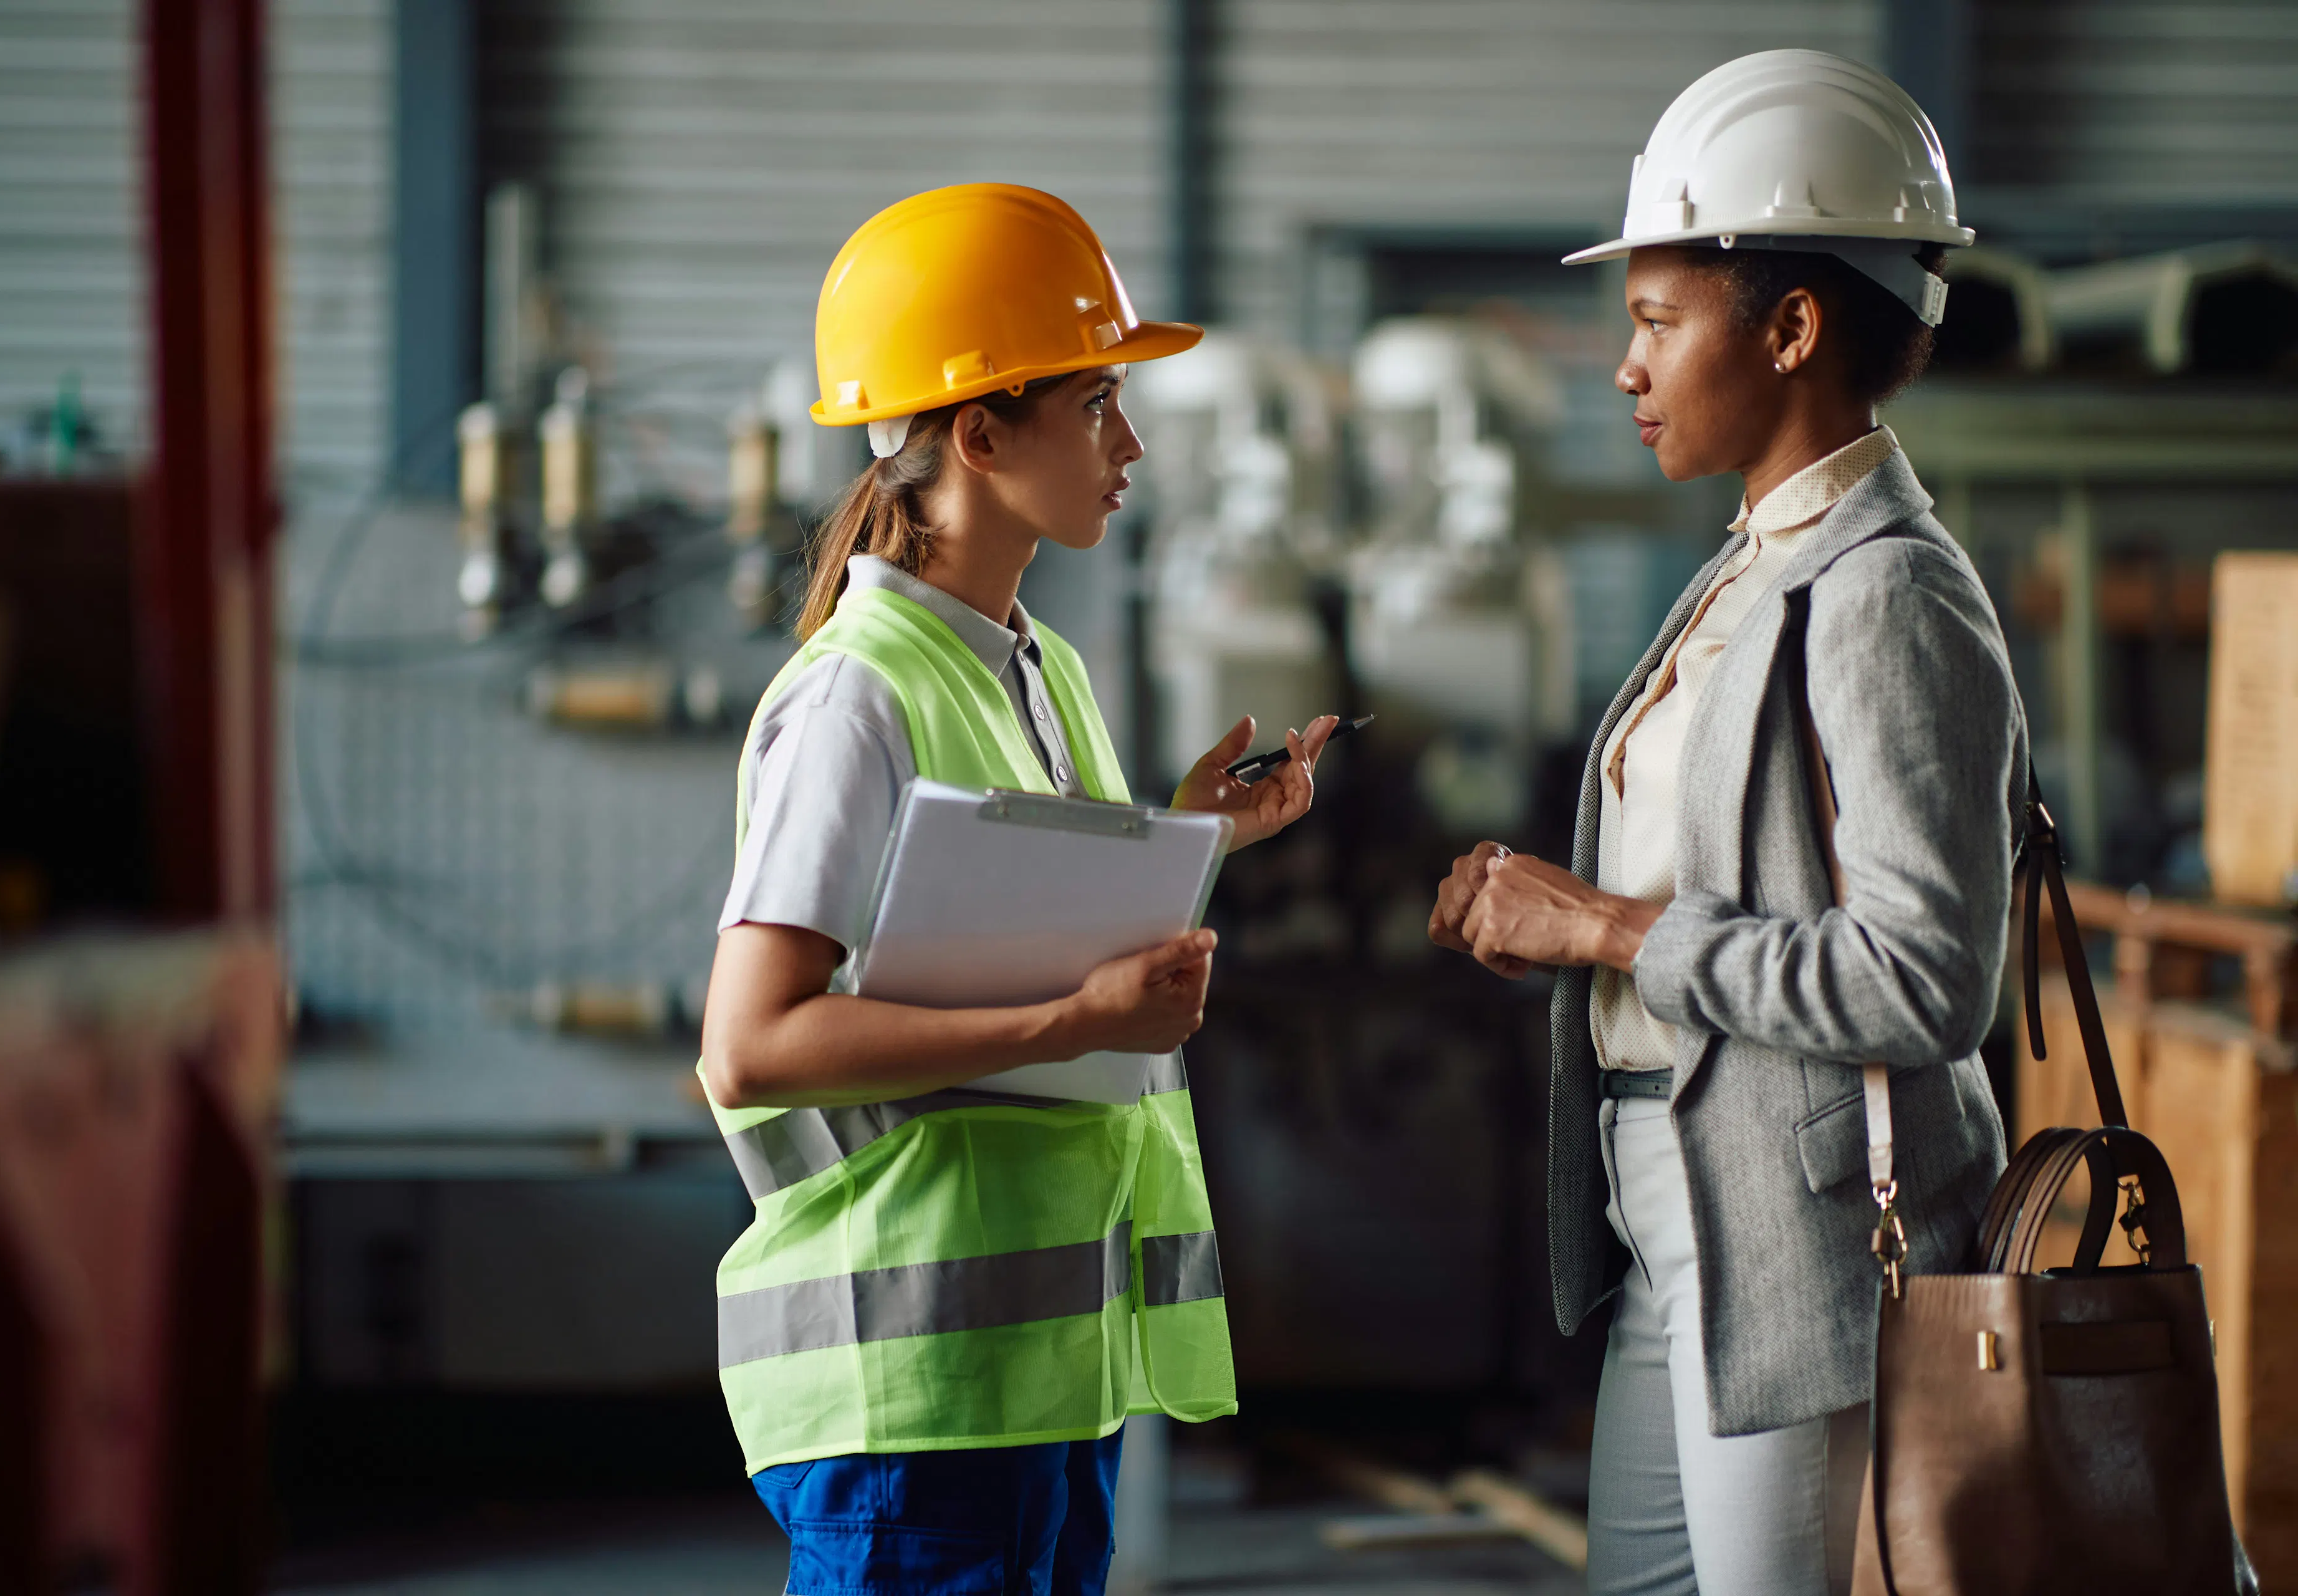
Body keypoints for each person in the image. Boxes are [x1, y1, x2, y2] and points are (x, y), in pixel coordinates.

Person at [1427, 52, 2024, 1596]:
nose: (1625, 368)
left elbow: (1927, 979)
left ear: (1796, 324)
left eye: (1655, 318)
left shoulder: (1886, 590)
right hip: (1685, 1223)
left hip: (1816, 1247)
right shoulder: (1756, 563)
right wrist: (1558, 923)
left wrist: (1610, 929)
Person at [699, 183, 1339, 1596]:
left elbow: (1007, 927)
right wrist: (1071, 1019)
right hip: (910, 1395)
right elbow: (751, 1048)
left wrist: (1190, 835)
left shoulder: (1033, 665)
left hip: (1036, 1375)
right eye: (1098, 401)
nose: (1131, 443)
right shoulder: (857, 696)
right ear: (981, 432)